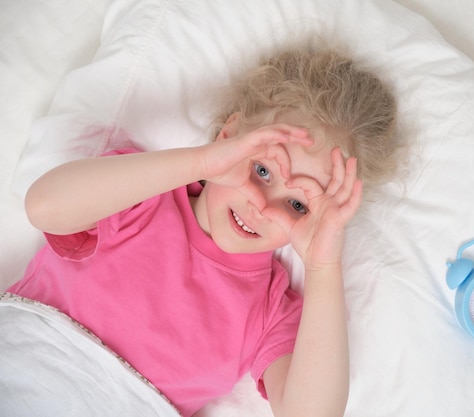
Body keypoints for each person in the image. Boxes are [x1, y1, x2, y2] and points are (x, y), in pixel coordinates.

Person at [3, 48, 398, 417]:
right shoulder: (141, 194)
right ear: (229, 137)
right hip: (30, 366)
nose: (261, 206)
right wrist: (200, 163)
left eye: (297, 205)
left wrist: (322, 266)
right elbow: (44, 207)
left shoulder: (270, 310)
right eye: (262, 171)